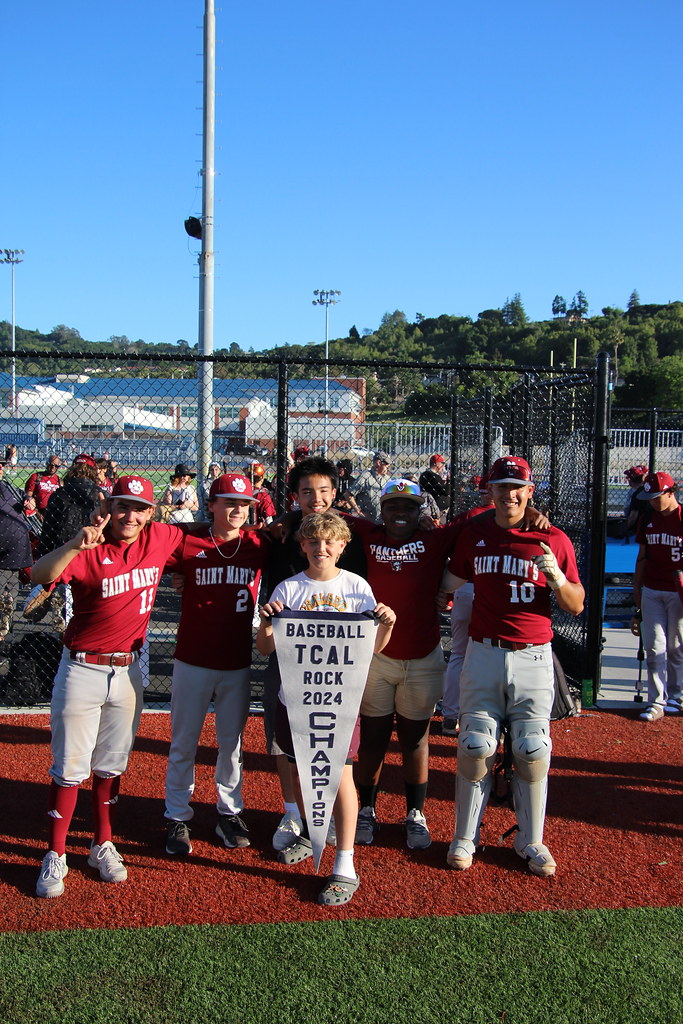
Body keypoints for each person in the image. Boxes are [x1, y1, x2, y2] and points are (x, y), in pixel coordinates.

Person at [32, 476, 187, 898]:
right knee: (69, 767)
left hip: (128, 671)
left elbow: (200, 540)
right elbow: (39, 573)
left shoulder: (160, 537)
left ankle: (102, 843)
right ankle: (56, 852)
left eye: (139, 508)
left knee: (111, 765)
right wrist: (74, 545)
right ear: (109, 507)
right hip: (82, 668)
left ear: (150, 513)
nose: (130, 516)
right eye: (123, 506)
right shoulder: (89, 547)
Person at [442, 456, 584, 878]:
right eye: (501, 486)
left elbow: (576, 605)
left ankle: (531, 839)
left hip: (532, 655)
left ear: (530, 491)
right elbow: (448, 583)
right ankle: (464, 836)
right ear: (490, 491)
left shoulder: (552, 538)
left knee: (532, 749)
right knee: (475, 745)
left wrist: (557, 579)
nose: (510, 494)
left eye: (517, 486)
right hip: (483, 653)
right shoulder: (474, 534)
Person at [256, 510, 395, 906]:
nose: (322, 548)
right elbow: (265, 648)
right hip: (295, 699)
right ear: (302, 546)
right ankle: (310, 831)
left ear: (342, 546)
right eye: (314, 542)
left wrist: (387, 624)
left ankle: (345, 863)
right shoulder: (288, 589)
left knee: (342, 776)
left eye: (329, 541)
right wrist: (266, 624)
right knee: (302, 770)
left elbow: (372, 648)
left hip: (339, 702)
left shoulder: (356, 587)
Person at [350, 478, 463, 850]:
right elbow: (323, 513)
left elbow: (476, 520)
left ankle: (415, 813)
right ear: (381, 510)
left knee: (415, 740)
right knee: (373, 739)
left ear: (421, 511)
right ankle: (366, 809)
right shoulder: (369, 533)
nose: (401, 513)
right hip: (377, 657)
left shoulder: (435, 539)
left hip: (423, 657)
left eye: (409, 507)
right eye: (393, 506)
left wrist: (530, 513)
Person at [162, 473, 272, 855]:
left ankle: (229, 812)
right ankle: (177, 814)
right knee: (183, 742)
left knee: (232, 744)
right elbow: (158, 541)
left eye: (244, 504)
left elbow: (289, 534)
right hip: (192, 659)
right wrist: (179, 569)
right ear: (210, 505)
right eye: (229, 502)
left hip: (236, 662)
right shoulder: (188, 542)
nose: (237, 509)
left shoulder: (257, 543)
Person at [263, 456, 367, 852]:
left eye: (323, 490)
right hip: (289, 653)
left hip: (338, 666)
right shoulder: (281, 534)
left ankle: (335, 825)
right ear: (295, 495)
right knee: (286, 744)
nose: (316, 498)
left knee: (337, 750)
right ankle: (293, 812)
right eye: (307, 491)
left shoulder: (350, 535)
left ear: (335, 492)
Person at [631, 471, 683, 721]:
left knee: (676, 647)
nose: (652, 502)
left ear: (671, 492)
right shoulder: (648, 519)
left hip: (678, 591)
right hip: (652, 589)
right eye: (649, 498)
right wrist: (637, 589)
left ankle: (676, 695)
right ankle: (656, 700)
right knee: (654, 647)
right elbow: (642, 556)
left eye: (656, 497)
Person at [0, 458, 33, 640]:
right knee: (5, 590)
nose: (1, 467)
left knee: (8, 592)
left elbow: (26, 499)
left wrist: (28, 500)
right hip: (10, 546)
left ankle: (5, 632)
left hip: (13, 548)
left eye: (2, 464)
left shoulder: (7, 486)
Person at [349, 450, 391, 520]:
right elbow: (348, 494)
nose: (388, 466)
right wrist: (358, 511)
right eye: (386, 464)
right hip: (369, 520)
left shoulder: (387, 479)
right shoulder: (366, 476)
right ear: (378, 463)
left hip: (383, 520)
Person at [243, 461, 276, 525]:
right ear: (262, 477)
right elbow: (269, 521)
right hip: (258, 529)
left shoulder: (242, 492)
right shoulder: (263, 496)